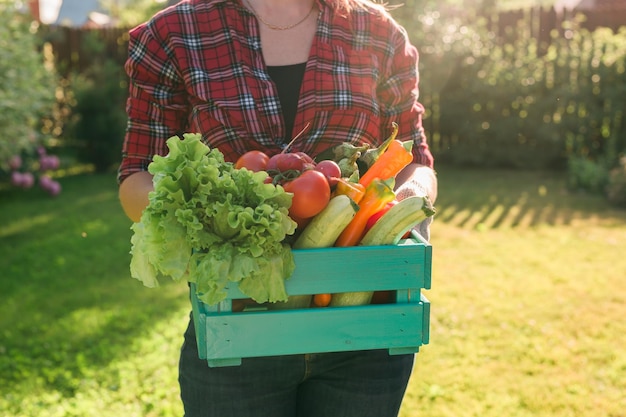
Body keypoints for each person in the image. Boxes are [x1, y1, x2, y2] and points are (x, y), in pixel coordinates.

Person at [117, 0, 437, 415]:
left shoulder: (378, 32)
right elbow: (135, 176)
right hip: (237, 330)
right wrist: (207, 215)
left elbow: (416, 160)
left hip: (363, 330)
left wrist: (404, 204)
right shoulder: (173, 34)